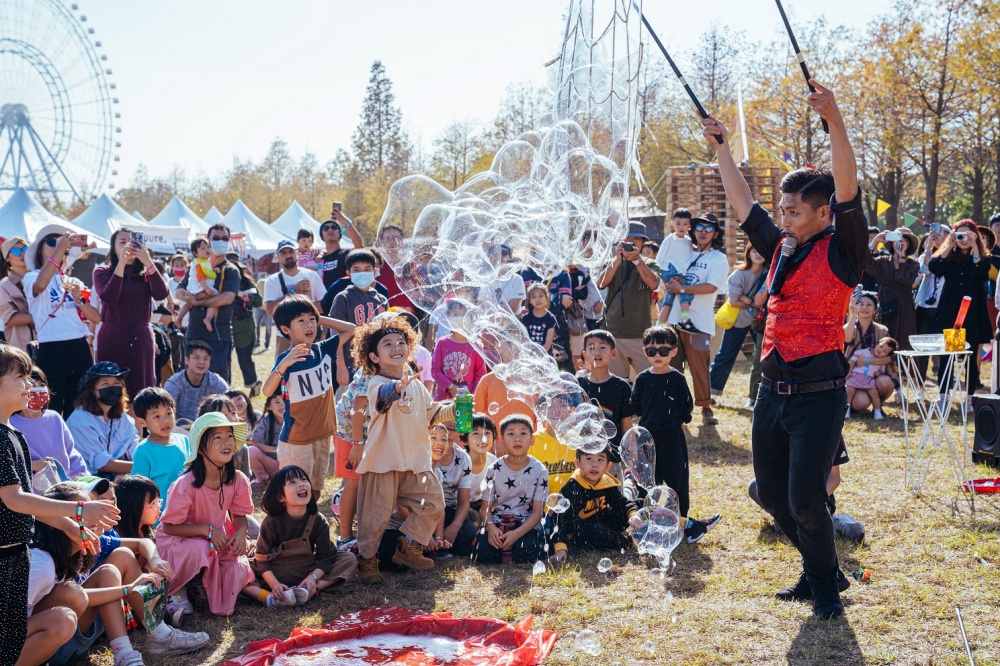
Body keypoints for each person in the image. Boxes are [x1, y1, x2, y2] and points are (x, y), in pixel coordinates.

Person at [703, 79, 865, 618]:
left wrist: (835, 120)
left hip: (819, 395)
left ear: (822, 214)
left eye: (794, 210)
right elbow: (744, 203)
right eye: (784, 209)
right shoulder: (780, 248)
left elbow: (848, 189)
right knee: (771, 496)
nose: (785, 217)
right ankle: (824, 571)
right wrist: (721, 146)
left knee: (806, 502)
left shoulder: (843, 249)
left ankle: (823, 588)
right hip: (771, 392)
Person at [0, 344, 120, 662]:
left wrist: (70, 525)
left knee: (61, 602)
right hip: (5, 561)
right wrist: (80, 510)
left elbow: (31, 502)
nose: (31, 386)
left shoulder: (13, 433)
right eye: (20, 377)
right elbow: (13, 499)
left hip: (16, 554)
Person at [29, 482, 210, 666]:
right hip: (49, 639)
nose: (95, 518)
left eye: (111, 502)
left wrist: (154, 561)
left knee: (118, 560)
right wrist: (126, 590)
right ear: (54, 521)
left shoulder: (83, 544)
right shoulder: (41, 564)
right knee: (71, 593)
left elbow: (141, 544)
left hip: (71, 628)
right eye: (82, 513)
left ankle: (148, 640)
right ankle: (127, 650)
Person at [350, 316, 453, 583]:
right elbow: (383, 397)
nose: (397, 347)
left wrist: (457, 407)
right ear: (373, 356)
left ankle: (408, 545)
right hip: (384, 461)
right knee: (375, 516)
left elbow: (432, 413)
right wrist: (397, 387)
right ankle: (367, 561)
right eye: (387, 344)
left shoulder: (417, 384)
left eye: (401, 342)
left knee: (433, 502)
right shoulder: (375, 383)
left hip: (415, 460)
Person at [158, 412, 255, 619]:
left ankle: (200, 584)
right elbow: (169, 527)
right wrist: (206, 530)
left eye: (229, 436)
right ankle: (177, 591)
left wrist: (240, 533)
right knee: (201, 547)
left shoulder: (238, 480)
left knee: (236, 562)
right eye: (217, 437)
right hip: (178, 542)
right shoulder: (184, 485)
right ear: (201, 448)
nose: (226, 442)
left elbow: (239, 515)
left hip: (213, 539)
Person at [630, 325, 720, 543]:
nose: (657, 355)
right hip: (647, 440)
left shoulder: (678, 379)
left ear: (673, 351)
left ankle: (683, 525)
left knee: (677, 482)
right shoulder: (642, 379)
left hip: (672, 438)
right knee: (647, 483)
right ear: (645, 352)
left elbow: (686, 407)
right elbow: (636, 407)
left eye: (663, 350)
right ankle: (644, 526)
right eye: (651, 351)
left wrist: (676, 421)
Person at [260, 295, 354, 499]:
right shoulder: (287, 359)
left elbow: (351, 328)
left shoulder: (323, 348)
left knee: (317, 489)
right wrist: (283, 365)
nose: (309, 324)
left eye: (311, 319)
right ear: (286, 329)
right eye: (300, 320)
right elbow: (267, 392)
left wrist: (320, 317)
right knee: (295, 493)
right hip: (297, 440)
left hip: (322, 434)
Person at [252, 465, 357, 607]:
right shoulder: (271, 522)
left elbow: (326, 556)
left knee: (349, 559)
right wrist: (275, 584)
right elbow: (262, 560)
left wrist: (313, 578)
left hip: (306, 571)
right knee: (239, 570)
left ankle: (308, 590)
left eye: (303, 479)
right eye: (292, 482)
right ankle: (269, 597)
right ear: (280, 496)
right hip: (273, 573)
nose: (301, 484)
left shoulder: (318, 520)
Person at [660, 213, 729, 425]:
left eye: (708, 229)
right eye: (699, 226)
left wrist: (681, 288)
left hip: (699, 324)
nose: (703, 231)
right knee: (672, 367)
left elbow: (712, 287)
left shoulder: (718, 258)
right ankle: (675, 408)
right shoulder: (683, 248)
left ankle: (706, 407)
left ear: (715, 234)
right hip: (673, 321)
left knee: (700, 365)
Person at [23, 229, 101, 418]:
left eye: (64, 247)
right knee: (52, 409)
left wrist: (80, 300)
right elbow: (40, 286)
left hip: (78, 347)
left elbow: (97, 318)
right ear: (39, 248)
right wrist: (61, 247)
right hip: (51, 348)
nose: (58, 247)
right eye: (51, 241)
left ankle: (76, 445)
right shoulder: (31, 277)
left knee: (80, 409)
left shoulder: (74, 281)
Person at [93, 229, 170, 400]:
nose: (129, 245)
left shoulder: (147, 272)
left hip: (141, 337)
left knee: (141, 389)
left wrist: (148, 262)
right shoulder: (102, 272)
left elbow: (161, 294)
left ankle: (141, 426)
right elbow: (108, 297)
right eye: (122, 242)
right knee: (111, 387)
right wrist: (121, 264)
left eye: (133, 241)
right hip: (113, 336)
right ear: (113, 248)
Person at [473, 414, 549, 564]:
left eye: (523, 433)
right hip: (497, 522)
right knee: (483, 555)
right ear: (501, 440)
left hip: (526, 525)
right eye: (511, 433)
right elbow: (485, 509)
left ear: (532, 440)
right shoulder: (493, 469)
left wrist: (516, 534)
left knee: (526, 553)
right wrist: (491, 529)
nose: (517, 438)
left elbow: (537, 511)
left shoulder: (540, 470)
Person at [930, 219, 992, 395]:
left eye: (967, 235)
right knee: (947, 355)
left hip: (973, 309)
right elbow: (935, 268)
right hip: (950, 308)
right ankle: (943, 395)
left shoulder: (980, 256)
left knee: (971, 355)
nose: (963, 239)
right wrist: (948, 245)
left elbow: (981, 273)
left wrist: (975, 247)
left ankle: (970, 396)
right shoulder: (948, 256)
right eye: (959, 235)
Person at [174, 223, 241, 383]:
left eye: (224, 238)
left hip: (218, 336)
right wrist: (187, 296)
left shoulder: (230, 270)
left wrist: (196, 302)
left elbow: (227, 298)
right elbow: (178, 291)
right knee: (189, 385)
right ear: (208, 240)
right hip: (193, 334)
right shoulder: (197, 265)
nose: (220, 241)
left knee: (217, 387)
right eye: (216, 238)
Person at [549, 445, 637, 561]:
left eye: (600, 460)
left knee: (636, 506)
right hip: (580, 531)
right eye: (589, 459)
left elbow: (621, 503)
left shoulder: (606, 482)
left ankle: (643, 527)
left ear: (608, 466)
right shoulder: (572, 487)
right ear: (577, 463)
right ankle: (628, 542)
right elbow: (558, 519)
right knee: (595, 529)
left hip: (602, 521)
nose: (594, 464)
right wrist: (560, 547)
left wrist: (634, 515)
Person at [596, 221, 661, 379]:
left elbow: (653, 283)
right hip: (613, 333)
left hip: (640, 333)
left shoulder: (650, 264)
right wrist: (617, 260)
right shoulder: (611, 263)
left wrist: (637, 260)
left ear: (643, 242)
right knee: (618, 382)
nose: (630, 243)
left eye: (635, 240)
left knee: (649, 379)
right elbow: (601, 283)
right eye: (627, 239)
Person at [709, 244, 770, 397]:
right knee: (726, 355)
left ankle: (756, 395)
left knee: (761, 359)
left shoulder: (768, 273)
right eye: (754, 251)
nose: (758, 254)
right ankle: (711, 391)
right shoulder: (739, 274)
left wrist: (746, 299)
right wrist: (751, 302)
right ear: (748, 254)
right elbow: (733, 301)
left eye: (761, 251)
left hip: (759, 321)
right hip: (738, 320)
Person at [12, 366, 88, 479]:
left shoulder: (54, 418)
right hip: (31, 490)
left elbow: (72, 454)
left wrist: (83, 480)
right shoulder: (9, 424)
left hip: (66, 486)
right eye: (32, 386)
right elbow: (8, 466)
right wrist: (33, 466)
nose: (37, 390)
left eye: (42, 385)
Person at [66, 362, 139, 478]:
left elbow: (135, 450)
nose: (112, 388)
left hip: (119, 475)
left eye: (116, 383)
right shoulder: (80, 419)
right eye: (105, 384)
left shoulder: (124, 418)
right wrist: (143, 466)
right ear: (92, 390)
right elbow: (102, 464)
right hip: (86, 479)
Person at [329, 249, 389, 380]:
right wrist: (341, 367)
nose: (362, 273)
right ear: (348, 274)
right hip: (351, 365)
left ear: (374, 272)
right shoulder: (343, 298)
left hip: (378, 364)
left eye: (367, 269)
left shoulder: (381, 300)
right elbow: (335, 337)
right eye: (356, 270)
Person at [131, 387, 190, 514]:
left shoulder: (184, 440)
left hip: (190, 510)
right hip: (161, 516)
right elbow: (139, 491)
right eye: (157, 416)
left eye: (168, 413)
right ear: (142, 422)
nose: (165, 420)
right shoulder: (143, 451)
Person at [264, 240, 327, 357]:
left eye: (291, 252)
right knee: (286, 372)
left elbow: (325, 305)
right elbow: (270, 311)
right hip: (286, 336)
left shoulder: (312, 276)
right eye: (283, 253)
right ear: (278, 257)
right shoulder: (273, 281)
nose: (288, 256)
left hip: (311, 332)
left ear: (296, 253)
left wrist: (302, 313)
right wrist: (293, 291)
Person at [576, 330, 633, 455]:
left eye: (602, 347)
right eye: (591, 348)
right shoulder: (579, 384)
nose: (597, 352)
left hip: (612, 457)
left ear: (613, 353)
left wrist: (633, 461)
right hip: (583, 456)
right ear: (585, 355)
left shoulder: (622, 386)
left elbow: (627, 426)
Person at [866, 228, 920, 351]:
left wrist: (901, 257)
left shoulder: (913, 264)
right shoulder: (883, 261)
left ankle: (904, 369)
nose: (900, 243)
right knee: (885, 336)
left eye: (904, 240)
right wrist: (875, 241)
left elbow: (904, 279)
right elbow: (866, 264)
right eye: (897, 240)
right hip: (886, 302)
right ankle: (884, 367)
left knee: (904, 339)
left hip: (904, 305)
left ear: (908, 244)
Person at [427, 423, 476, 558]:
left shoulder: (463, 458)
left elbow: (464, 502)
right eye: (446, 416)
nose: (451, 422)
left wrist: (455, 526)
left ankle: (439, 545)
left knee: (467, 535)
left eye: (456, 418)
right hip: (423, 510)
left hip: (447, 510)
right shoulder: (422, 454)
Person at [842, 292, 895, 414]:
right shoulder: (850, 326)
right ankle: (852, 404)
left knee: (886, 382)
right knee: (861, 404)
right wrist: (853, 313)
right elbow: (847, 338)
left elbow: (890, 358)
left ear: (875, 309)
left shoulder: (882, 330)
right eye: (861, 304)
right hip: (854, 376)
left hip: (873, 375)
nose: (864, 307)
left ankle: (877, 406)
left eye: (869, 305)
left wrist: (867, 361)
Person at [164, 340, 230, 426]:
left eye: (205, 358)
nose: (201, 362)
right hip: (181, 428)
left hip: (209, 428)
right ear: (186, 360)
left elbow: (231, 401)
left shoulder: (215, 381)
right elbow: (166, 410)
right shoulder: (174, 383)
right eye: (196, 358)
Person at [432, 299, 487, 400]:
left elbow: (481, 373)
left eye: (464, 315)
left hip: (467, 401)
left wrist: (473, 395)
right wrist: (451, 386)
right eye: (456, 315)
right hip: (443, 401)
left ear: (471, 318)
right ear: (448, 317)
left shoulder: (476, 346)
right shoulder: (442, 343)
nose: (460, 319)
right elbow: (435, 371)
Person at [914, 229, 947, 380]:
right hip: (924, 307)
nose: (939, 238)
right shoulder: (924, 256)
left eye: (943, 235)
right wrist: (929, 248)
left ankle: (943, 384)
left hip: (943, 308)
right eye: (936, 236)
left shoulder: (952, 258)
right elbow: (925, 269)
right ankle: (920, 382)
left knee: (942, 348)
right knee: (923, 347)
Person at [655, 208, 696, 327]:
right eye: (678, 224)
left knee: (668, 301)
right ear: (673, 224)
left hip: (681, 273)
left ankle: (659, 324)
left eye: (684, 224)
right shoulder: (670, 239)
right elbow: (660, 258)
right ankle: (685, 321)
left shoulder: (689, 242)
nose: (681, 227)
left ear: (689, 225)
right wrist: (660, 281)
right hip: (671, 271)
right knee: (684, 293)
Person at [229, 258, 263, 396]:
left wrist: (247, 297)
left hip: (244, 328)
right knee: (224, 360)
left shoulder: (247, 283)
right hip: (224, 327)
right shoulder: (218, 283)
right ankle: (225, 388)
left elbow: (259, 302)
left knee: (244, 359)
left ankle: (254, 384)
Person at [846, 337, 898, 420]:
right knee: (849, 391)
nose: (881, 351)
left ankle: (877, 412)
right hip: (856, 376)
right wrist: (849, 372)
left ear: (886, 355)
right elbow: (853, 360)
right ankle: (846, 410)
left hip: (869, 379)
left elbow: (882, 371)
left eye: (884, 351)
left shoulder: (881, 361)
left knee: (875, 394)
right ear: (877, 344)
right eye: (881, 347)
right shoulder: (863, 352)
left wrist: (879, 373)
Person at [174, 238, 219, 333]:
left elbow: (207, 271)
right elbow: (201, 277)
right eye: (203, 248)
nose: (207, 249)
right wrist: (207, 288)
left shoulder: (205, 262)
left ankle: (179, 318)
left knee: (189, 304)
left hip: (195, 290)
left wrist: (214, 270)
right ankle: (208, 318)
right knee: (215, 299)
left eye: (208, 247)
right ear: (195, 253)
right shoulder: (198, 264)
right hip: (200, 289)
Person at [0, 237, 35, 352]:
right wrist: (42, 315)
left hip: (48, 341)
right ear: (7, 258)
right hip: (23, 347)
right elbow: (10, 319)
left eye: (25, 249)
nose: (22, 253)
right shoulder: (4, 285)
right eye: (15, 251)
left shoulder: (40, 278)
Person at [462, 413, 497, 523]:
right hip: (458, 506)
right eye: (476, 433)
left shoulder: (493, 461)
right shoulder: (460, 460)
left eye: (487, 433)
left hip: (482, 505)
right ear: (465, 439)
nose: (483, 438)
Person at [318, 207, 365, 290]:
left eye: (334, 227)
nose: (330, 230)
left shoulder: (346, 254)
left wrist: (346, 222)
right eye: (326, 228)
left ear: (340, 234)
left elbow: (360, 247)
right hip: (323, 301)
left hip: (344, 301)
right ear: (321, 235)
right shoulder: (318, 258)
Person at [247, 392, 283, 485]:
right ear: (269, 406)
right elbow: (255, 442)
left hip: (292, 464)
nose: (282, 405)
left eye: (285, 400)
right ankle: (263, 478)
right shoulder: (265, 420)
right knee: (251, 451)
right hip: (272, 463)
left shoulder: (294, 419)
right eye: (277, 402)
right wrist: (274, 450)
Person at [113, 474, 160, 539]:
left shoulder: (151, 534)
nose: (158, 507)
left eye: (158, 501)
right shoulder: (117, 538)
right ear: (134, 507)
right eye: (153, 503)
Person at [521, 282, 557, 352]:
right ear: (530, 300)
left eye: (540, 296)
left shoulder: (550, 318)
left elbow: (548, 344)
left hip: (545, 356)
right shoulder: (526, 318)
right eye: (533, 297)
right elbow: (524, 340)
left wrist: (539, 355)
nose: (537, 300)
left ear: (547, 297)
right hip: (529, 355)